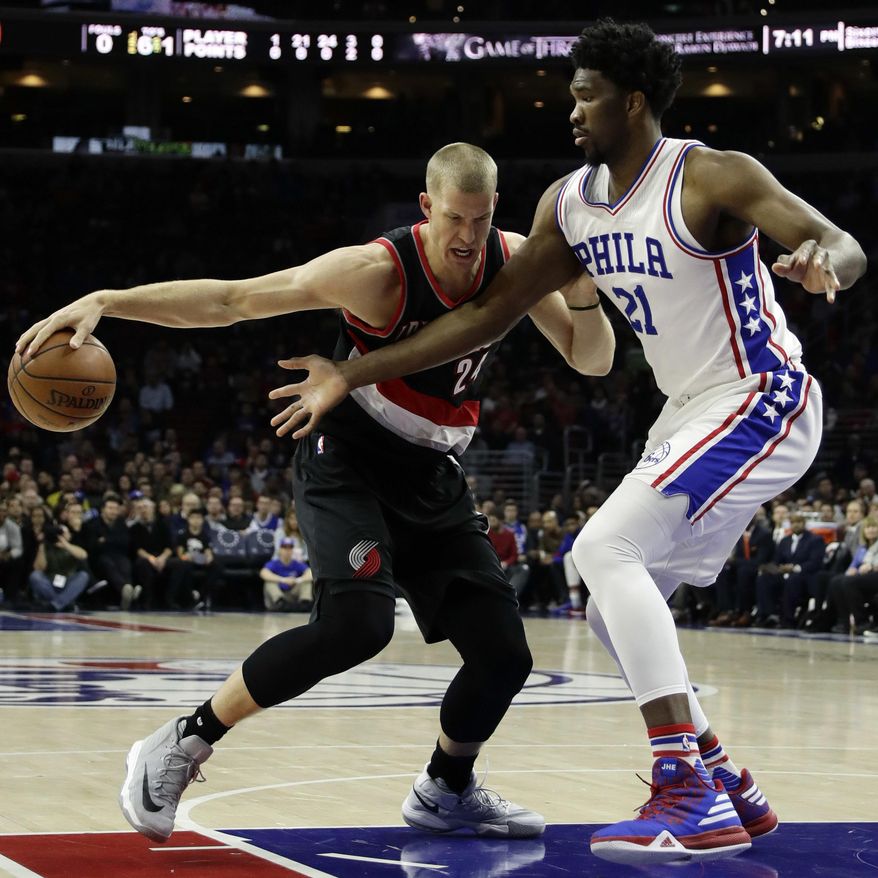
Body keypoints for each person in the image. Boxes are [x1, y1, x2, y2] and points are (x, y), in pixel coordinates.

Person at [270, 21, 866, 865]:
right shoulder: (568, 203)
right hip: (691, 409)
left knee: (603, 546)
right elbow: (482, 317)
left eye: (586, 94)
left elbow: (842, 241)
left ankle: (683, 788)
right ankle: (724, 778)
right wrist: (350, 373)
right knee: (604, 587)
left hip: (759, 392)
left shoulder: (709, 174)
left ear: (632, 100)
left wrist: (823, 262)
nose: (572, 109)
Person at [17, 141, 613, 845]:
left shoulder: (512, 261)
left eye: (481, 220)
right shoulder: (375, 272)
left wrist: (579, 285)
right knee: (356, 625)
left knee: (505, 656)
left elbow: (592, 357)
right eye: (456, 218)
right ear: (427, 207)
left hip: (434, 473)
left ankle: (446, 789)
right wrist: (108, 300)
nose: (469, 237)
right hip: (350, 455)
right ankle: (181, 740)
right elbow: (234, 300)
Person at [260, 537, 313, 611]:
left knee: (306, 582)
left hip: (292, 595)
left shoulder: (297, 563)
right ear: (280, 549)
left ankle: (305, 603)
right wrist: (283, 580)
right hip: (278, 596)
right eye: (284, 547)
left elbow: (310, 573)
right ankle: (280, 603)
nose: (287, 550)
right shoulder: (274, 563)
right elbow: (263, 573)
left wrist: (297, 580)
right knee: (269, 583)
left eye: (290, 547)